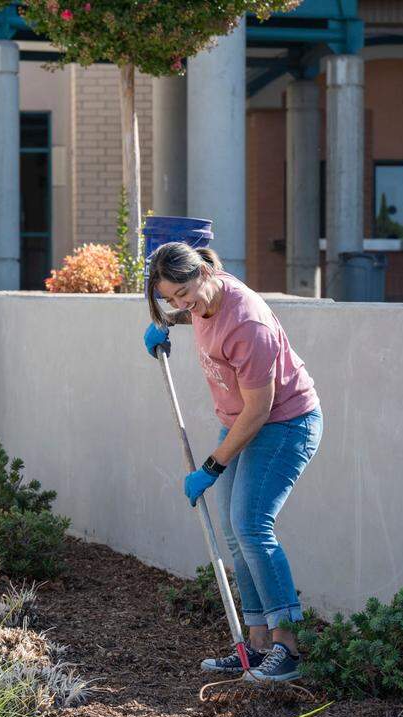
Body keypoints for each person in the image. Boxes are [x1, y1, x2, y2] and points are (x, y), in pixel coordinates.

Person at [143, 242, 322, 683]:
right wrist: (167, 324)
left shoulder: (248, 322)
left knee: (251, 525)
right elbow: (199, 311)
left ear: (204, 271)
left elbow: (259, 411)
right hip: (241, 421)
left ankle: (288, 648)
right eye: (171, 299)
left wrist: (211, 466)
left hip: (284, 423)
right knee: (233, 531)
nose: (183, 304)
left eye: (184, 294)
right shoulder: (200, 301)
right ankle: (257, 645)